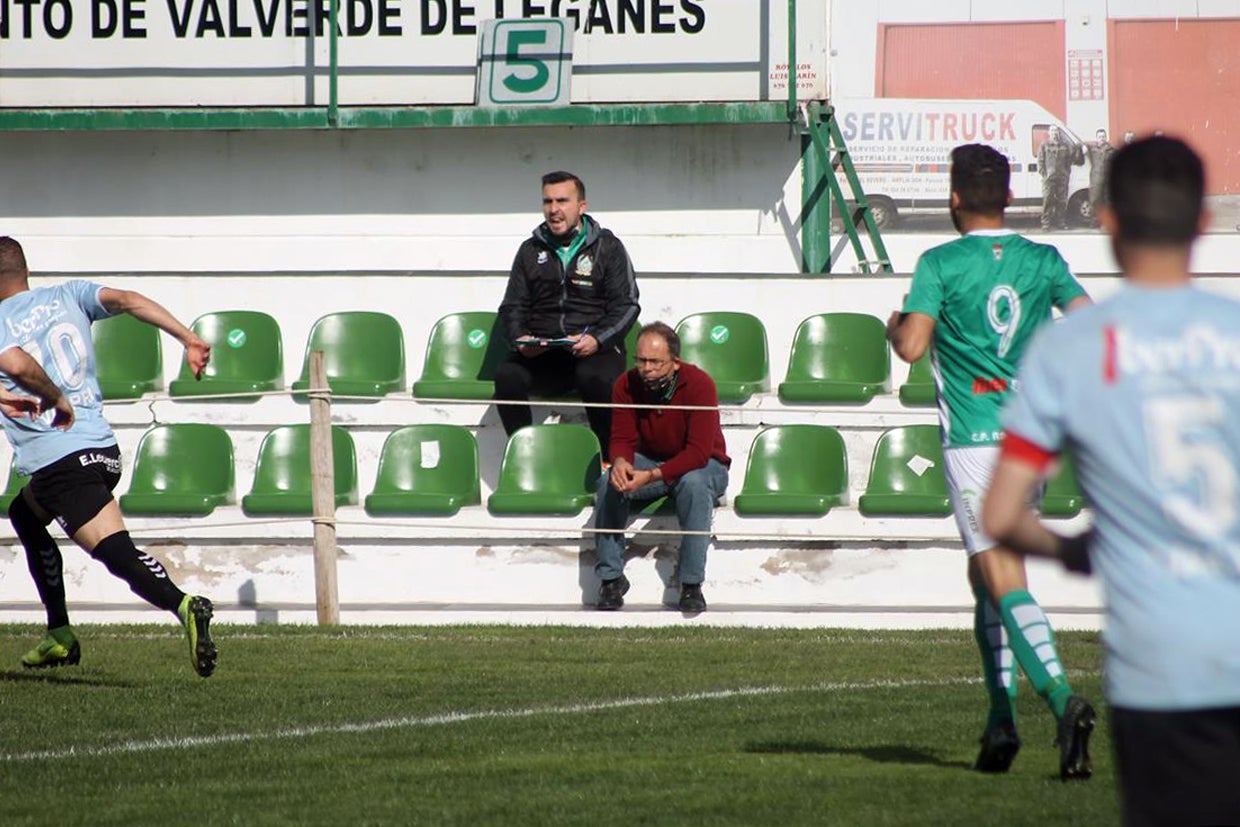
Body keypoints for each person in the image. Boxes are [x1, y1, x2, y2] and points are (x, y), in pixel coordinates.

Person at [983, 136, 1240, 826]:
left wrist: (1075, 549)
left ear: (1108, 220)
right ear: (1203, 223)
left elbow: (1002, 514)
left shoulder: (1072, 347)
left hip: (1162, 666)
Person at [885, 144, 1095, 779]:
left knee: (1001, 574)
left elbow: (913, 348)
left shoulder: (941, 262)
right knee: (986, 578)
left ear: (954, 198)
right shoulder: (1043, 258)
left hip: (976, 443)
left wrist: (895, 324)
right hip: (1030, 439)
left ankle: (1062, 702)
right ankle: (999, 719)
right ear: (1008, 196)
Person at [0, 236, 217, 678]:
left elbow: (18, 365)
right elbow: (129, 300)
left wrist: (53, 396)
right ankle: (58, 633)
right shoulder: (68, 294)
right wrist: (188, 338)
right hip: (102, 450)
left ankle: (183, 603)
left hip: (60, 458)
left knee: (114, 552)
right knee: (25, 512)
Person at [495, 171, 640, 449]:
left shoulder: (608, 247)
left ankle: (608, 457)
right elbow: (512, 305)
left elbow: (627, 304)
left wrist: (596, 339)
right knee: (507, 377)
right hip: (546, 352)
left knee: (594, 377)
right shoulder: (529, 250)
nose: (554, 210)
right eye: (548, 201)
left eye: (562, 200)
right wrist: (521, 339)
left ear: (581, 206)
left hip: (596, 349)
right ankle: (525, 454)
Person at [592, 322, 729, 613]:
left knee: (693, 483)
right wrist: (620, 462)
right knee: (608, 482)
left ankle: (691, 584)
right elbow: (622, 438)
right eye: (641, 360)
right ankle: (611, 579)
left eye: (655, 361)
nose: (646, 368)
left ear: (675, 362)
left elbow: (698, 452)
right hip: (652, 460)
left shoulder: (700, 384)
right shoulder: (625, 385)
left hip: (705, 464)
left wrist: (653, 475)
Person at [1037, 125, 1084, 231]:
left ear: (1058, 133)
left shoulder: (1065, 145)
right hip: (1049, 177)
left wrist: (1078, 148)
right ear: (1049, 133)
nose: (1054, 132)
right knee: (1048, 200)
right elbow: (1040, 161)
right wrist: (1044, 174)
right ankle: (1045, 224)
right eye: (1052, 131)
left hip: (1062, 177)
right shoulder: (1044, 145)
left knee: (1062, 201)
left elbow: (1071, 159)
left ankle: (1061, 223)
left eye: (1056, 131)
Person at [1085, 128, 1116, 224]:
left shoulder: (1112, 150)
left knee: (1108, 201)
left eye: (1103, 136)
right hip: (1096, 177)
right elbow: (1080, 145)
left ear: (1106, 137)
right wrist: (1083, 149)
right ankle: (1094, 221)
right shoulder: (1092, 149)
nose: (1101, 138)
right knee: (1095, 199)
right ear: (1096, 138)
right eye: (1099, 137)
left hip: (1108, 178)